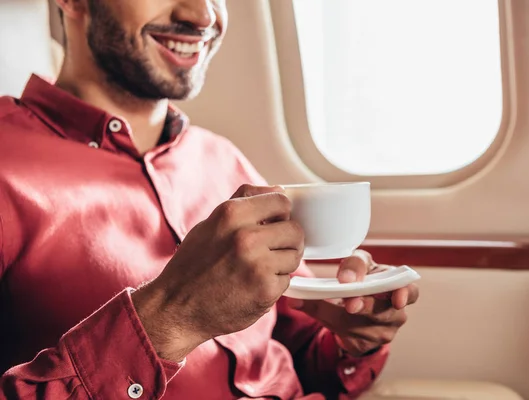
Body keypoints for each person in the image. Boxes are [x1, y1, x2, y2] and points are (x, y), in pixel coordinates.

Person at [0, 0, 419, 398]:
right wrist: (168, 320)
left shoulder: (223, 158)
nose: (203, 15)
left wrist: (353, 343)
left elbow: (300, 354)